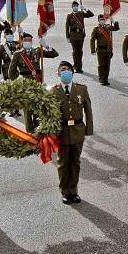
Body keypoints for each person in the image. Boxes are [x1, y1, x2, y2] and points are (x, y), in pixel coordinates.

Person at [50, 60, 93, 204]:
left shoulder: (81, 90)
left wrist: (89, 130)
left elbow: (88, 110)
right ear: (58, 73)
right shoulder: (53, 91)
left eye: (68, 69)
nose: (66, 72)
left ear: (72, 73)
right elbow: (49, 114)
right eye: (62, 69)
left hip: (77, 131)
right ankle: (65, 191)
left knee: (75, 162)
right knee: (63, 163)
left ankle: (73, 190)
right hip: (61, 132)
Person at [64, 0, 96, 73]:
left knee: (80, 51)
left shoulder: (81, 13)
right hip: (73, 35)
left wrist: (85, 9)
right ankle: (75, 66)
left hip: (81, 35)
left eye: (76, 6)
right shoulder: (69, 16)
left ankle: (80, 67)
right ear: (72, 7)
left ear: (78, 7)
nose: (75, 7)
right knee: (75, 51)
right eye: (74, 6)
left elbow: (91, 15)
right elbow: (67, 27)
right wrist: (67, 37)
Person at [89, 15, 121, 85]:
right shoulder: (96, 29)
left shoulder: (108, 27)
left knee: (107, 65)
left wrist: (114, 21)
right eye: (101, 20)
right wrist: (93, 50)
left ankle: (105, 79)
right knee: (101, 65)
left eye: (103, 19)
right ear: (98, 21)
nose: (102, 21)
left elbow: (116, 28)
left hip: (108, 49)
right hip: (100, 50)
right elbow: (92, 40)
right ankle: (101, 79)